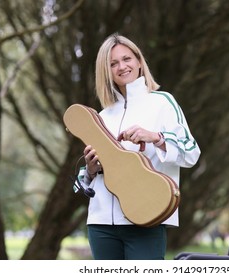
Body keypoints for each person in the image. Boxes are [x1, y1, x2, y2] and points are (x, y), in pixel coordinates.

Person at [80, 33, 201, 260]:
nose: (122, 67)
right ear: (106, 71)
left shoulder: (163, 102)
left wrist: (156, 137)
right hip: (101, 224)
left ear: (138, 61)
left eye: (127, 59)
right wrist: (90, 169)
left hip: (146, 219)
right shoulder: (103, 116)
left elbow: (191, 152)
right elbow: (83, 182)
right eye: (113, 63)